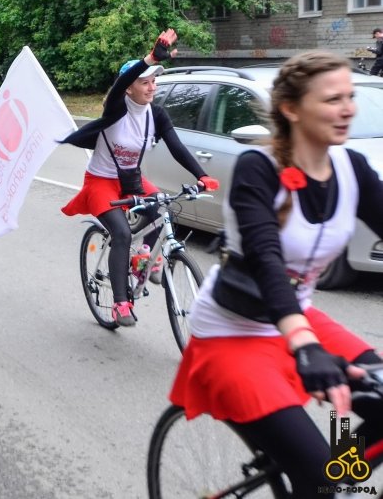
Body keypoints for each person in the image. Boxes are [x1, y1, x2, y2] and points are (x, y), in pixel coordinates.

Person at [167, 50, 383, 498]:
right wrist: (303, 343)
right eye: (332, 100)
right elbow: (265, 259)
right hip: (234, 333)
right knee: (320, 479)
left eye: (350, 97)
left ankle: (341, 474)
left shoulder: (352, 168)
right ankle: (327, 480)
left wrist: (304, 337)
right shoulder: (257, 169)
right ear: (291, 109)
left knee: (341, 466)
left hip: (298, 319)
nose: (348, 109)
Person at [59, 29, 219, 327]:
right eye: (144, 82)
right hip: (101, 181)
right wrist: (150, 58)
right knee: (120, 233)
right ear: (129, 89)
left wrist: (202, 175)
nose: (151, 87)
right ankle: (120, 303)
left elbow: (176, 146)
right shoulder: (117, 109)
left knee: (163, 208)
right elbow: (119, 83)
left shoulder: (156, 114)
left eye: (154, 81)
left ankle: (143, 255)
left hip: (131, 180)